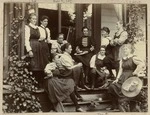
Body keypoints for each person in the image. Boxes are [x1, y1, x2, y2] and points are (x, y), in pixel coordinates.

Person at [107, 43, 145, 111]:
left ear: (130, 50)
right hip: (123, 76)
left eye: (126, 49)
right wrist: (117, 79)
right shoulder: (122, 59)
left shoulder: (134, 58)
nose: (125, 51)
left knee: (128, 90)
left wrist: (135, 72)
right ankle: (116, 105)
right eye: (124, 49)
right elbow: (120, 70)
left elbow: (142, 64)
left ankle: (127, 105)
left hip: (130, 77)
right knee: (112, 86)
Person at [25, 13, 50, 90]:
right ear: (29, 19)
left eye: (35, 19)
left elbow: (39, 38)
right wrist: (29, 50)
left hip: (39, 48)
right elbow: (26, 40)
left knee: (40, 66)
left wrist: (41, 39)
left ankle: (39, 84)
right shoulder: (27, 27)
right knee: (33, 65)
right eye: (33, 19)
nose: (34, 20)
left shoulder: (37, 28)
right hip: (33, 47)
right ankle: (33, 84)